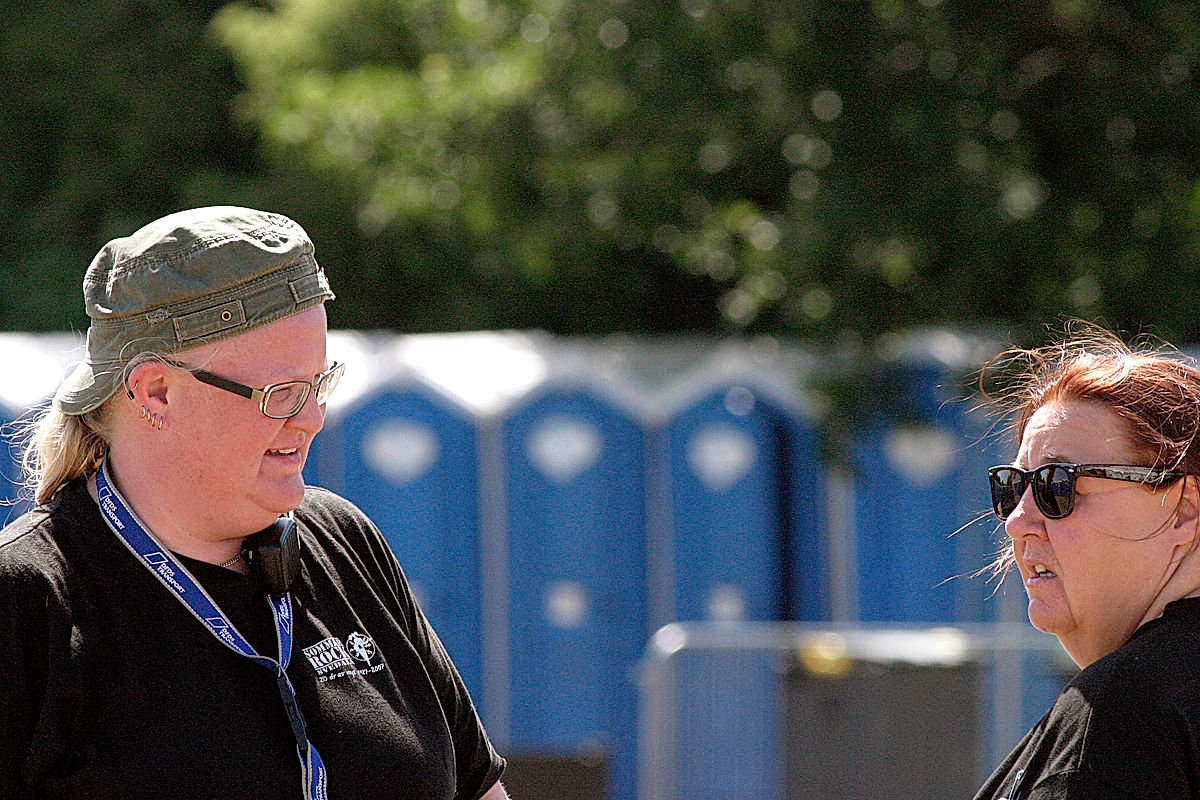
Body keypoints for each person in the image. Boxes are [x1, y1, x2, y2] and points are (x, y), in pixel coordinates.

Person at [0, 207, 509, 800]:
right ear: (156, 391)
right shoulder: (27, 597)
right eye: (282, 393)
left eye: (320, 383)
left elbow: (478, 788)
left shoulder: (344, 540)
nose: (313, 418)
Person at [973, 324, 1200, 799]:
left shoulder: (1123, 713)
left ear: (1183, 510)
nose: (1018, 521)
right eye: (1013, 487)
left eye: (1057, 485)